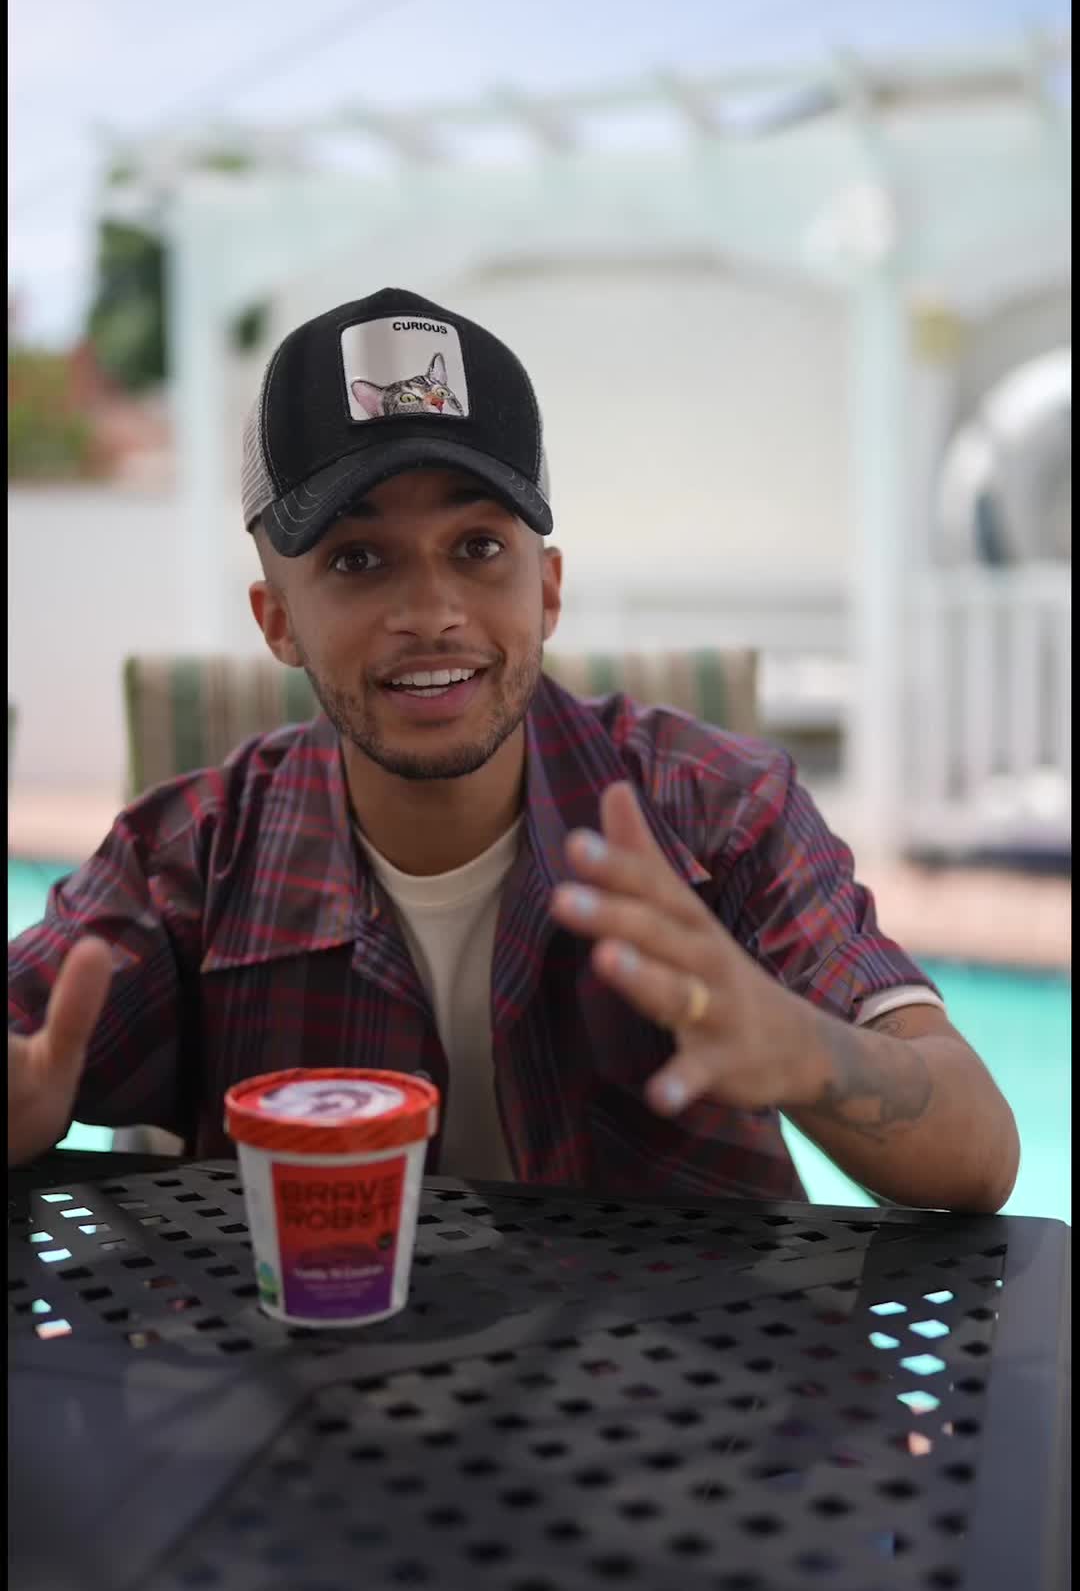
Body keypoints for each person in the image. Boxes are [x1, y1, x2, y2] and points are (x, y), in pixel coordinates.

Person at [8, 287, 1019, 1211]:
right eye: (357, 560)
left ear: (548, 587)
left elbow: (979, 1154)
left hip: (683, 1357)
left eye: (479, 547)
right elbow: (25, 1045)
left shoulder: (718, 809)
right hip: (307, 1356)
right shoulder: (188, 862)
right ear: (278, 621)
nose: (432, 612)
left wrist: (803, 1048)